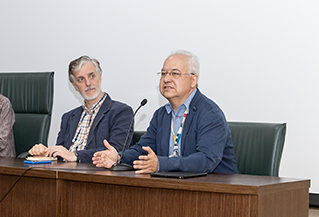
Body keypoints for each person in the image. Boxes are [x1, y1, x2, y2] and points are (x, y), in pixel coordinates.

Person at [92, 50, 238, 174]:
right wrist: (118, 157)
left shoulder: (210, 113)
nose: (166, 79)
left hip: (217, 192)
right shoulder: (161, 114)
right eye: (163, 74)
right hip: (174, 186)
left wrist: (161, 164)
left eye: (174, 74)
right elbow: (143, 150)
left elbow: (207, 160)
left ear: (193, 80)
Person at [28, 56, 133, 162]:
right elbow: (60, 154)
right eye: (81, 79)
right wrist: (45, 153)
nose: (88, 83)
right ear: (75, 86)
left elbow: (116, 152)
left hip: (96, 174)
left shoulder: (121, 112)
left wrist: (76, 156)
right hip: (65, 172)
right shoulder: (68, 117)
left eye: (92, 76)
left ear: (100, 77)